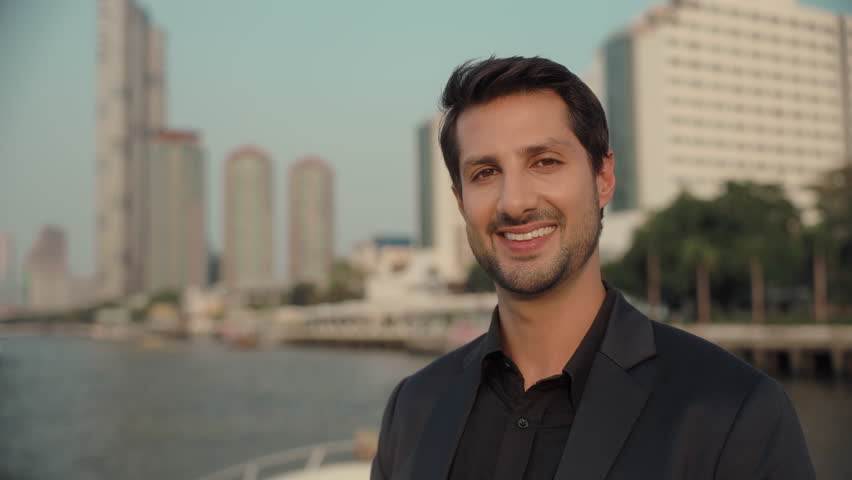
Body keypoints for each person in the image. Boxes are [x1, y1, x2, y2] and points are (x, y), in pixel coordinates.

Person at [370, 56, 815, 480]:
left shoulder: (734, 411)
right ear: (460, 201)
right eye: (485, 173)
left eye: (544, 162)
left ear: (603, 179)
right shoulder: (413, 407)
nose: (515, 201)